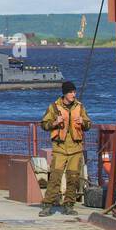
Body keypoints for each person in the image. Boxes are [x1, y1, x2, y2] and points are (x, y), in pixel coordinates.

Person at [39, 80, 91, 215]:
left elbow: (89, 124)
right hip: (60, 148)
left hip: (76, 148)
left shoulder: (80, 107)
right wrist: (55, 122)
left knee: (73, 177)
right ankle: (47, 205)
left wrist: (83, 122)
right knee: (55, 177)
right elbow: (43, 124)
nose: (74, 94)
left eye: (74, 92)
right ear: (65, 94)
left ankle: (69, 205)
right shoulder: (54, 107)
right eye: (71, 92)